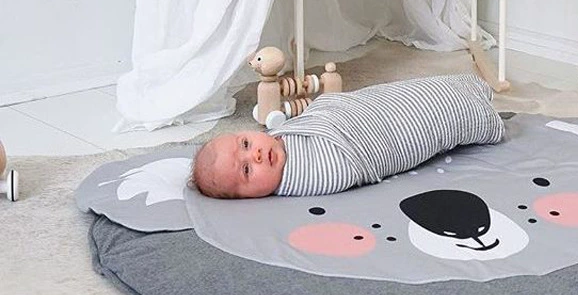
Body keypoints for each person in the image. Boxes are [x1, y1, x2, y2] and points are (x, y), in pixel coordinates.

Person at [192, 73, 504, 199]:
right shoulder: (301, 179)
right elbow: (346, 166)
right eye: (247, 170)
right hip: (382, 135)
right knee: (430, 113)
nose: (256, 154)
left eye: (246, 144)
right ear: (250, 198)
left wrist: (327, 107)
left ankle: (467, 88)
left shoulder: (279, 137)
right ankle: (471, 108)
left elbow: (327, 113)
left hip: (368, 108)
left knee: (406, 92)